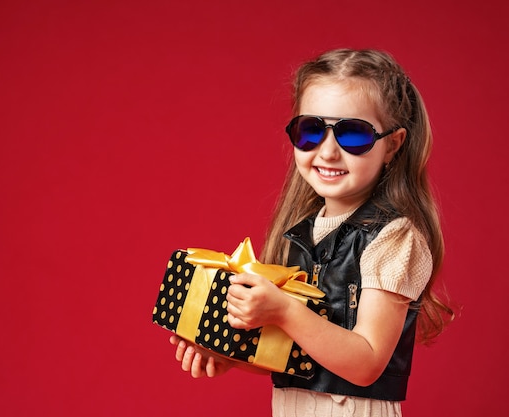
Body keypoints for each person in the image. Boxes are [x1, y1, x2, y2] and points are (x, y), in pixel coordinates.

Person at [169, 48, 454, 416]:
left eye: (353, 135)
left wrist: (284, 311)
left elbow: (365, 363)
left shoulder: (395, 238)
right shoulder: (303, 234)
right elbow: (300, 358)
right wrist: (232, 357)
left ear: (392, 145)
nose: (328, 151)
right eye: (311, 131)